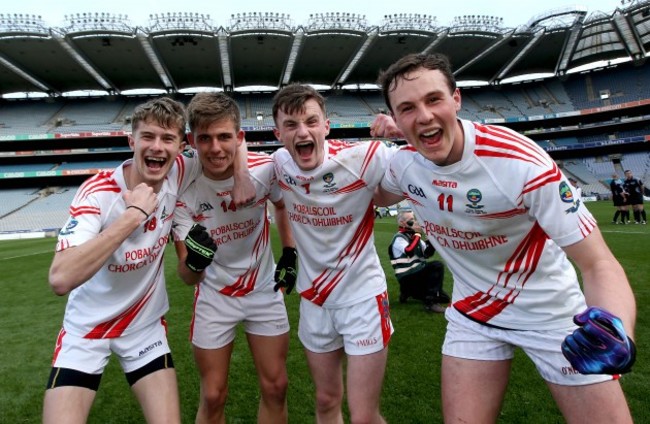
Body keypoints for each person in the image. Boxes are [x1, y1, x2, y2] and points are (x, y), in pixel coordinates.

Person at [371, 53, 637, 424]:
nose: (425, 115)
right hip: (473, 313)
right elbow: (372, 194)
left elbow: (599, 263)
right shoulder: (402, 166)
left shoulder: (521, 163)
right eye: (408, 108)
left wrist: (613, 326)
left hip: (554, 315)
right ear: (395, 118)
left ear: (457, 99)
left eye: (434, 100)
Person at [43, 97, 254, 424]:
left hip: (143, 327)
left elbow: (230, 144)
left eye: (168, 139)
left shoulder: (181, 171)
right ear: (132, 141)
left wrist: (241, 177)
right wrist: (133, 215)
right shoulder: (97, 193)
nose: (157, 147)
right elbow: (60, 278)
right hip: (85, 330)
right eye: (148, 137)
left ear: (180, 146)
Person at [272, 83, 394, 424]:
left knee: (364, 415)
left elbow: (432, 159)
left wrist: (403, 130)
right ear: (278, 133)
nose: (303, 132)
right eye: (292, 125)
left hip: (362, 299)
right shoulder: (279, 165)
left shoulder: (364, 158)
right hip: (315, 300)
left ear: (326, 125)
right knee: (326, 401)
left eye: (311, 121)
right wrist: (238, 173)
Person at [172, 92, 296, 424]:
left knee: (276, 386)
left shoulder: (264, 171)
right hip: (215, 295)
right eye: (205, 138)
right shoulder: (182, 188)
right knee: (213, 395)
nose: (215, 148)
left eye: (225, 136)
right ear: (191, 141)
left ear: (240, 137)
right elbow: (187, 276)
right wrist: (196, 263)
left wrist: (289, 250)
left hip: (263, 290)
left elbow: (282, 204)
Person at [388, 210, 449, 313]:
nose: (415, 221)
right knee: (437, 265)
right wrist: (417, 234)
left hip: (417, 275)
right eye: (411, 220)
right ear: (402, 223)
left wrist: (432, 240)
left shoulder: (415, 237)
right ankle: (430, 303)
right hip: (407, 277)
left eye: (414, 219)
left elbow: (427, 254)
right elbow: (409, 251)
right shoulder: (399, 238)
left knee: (444, 298)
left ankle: (408, 292)